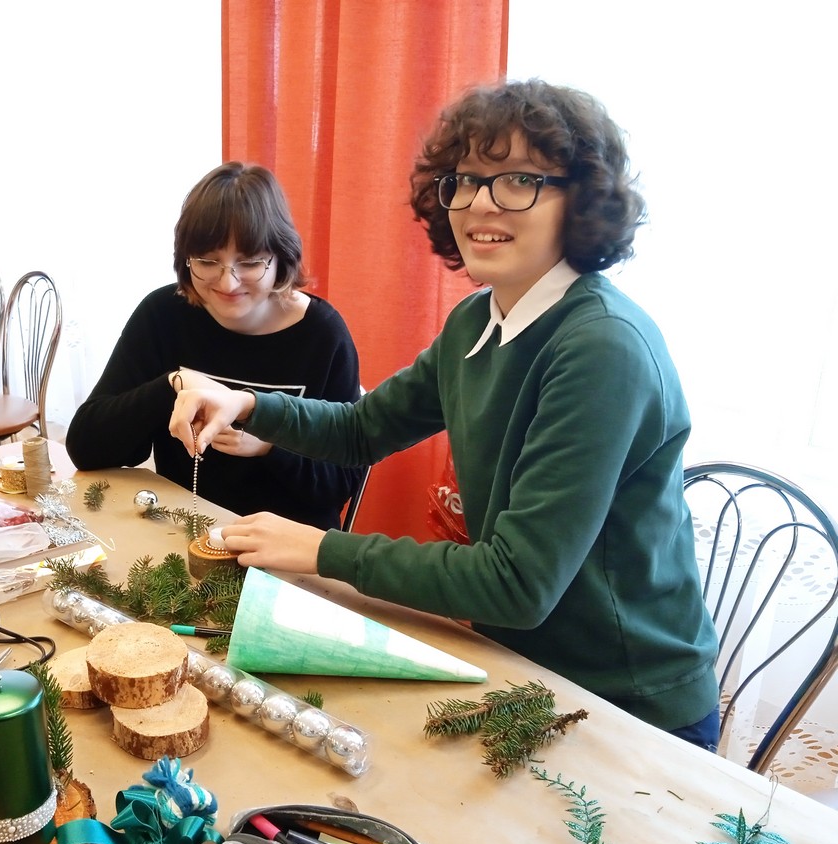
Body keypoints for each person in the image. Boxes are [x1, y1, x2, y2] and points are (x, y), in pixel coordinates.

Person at [170, 80, 721, 749]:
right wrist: (249, 404)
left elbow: (516, 583)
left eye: (518, 180)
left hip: (626, 700)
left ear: (582, 198)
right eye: (465, 180)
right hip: (521, 667)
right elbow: (361, 429)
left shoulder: (601, 347)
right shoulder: (477, 321)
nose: (481, 202)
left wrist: (319, 550)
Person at [66, 161, 362, 530]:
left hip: (284, 544)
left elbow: (340, 484)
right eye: (208, 261)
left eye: (249, 262)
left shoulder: (322, 335)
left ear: (280, 257)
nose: (228, 283)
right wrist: (174, 385)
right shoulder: (163, 315)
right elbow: (87, 447)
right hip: (181, 532)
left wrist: (269, 444)